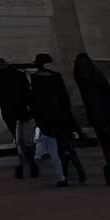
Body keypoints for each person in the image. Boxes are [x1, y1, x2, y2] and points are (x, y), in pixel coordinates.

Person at [30, 52, 87, 185]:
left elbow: (36, 102)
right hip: (61, 117)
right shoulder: (55, 78)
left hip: (48, 119)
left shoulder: (37, 79)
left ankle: (64, 176)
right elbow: (64, 101)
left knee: (56, 150)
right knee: (66, 147)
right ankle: (76, 173)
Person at [73, 51, 110, 187]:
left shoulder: (82, 78)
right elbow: (108, 97)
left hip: (98, 116)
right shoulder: (95, 75)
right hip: (107, 114)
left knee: (106, 144)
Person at [0, 59, 39, 176]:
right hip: (22, 111)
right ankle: (29, 162)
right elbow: (28, 95)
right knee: (27, 141)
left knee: (19, 141)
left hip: (9, 113)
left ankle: (23, 164)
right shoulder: (19, 76)